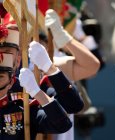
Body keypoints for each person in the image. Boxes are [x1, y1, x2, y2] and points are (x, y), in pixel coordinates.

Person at [0, 11, 85, 139]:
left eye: (6, 52)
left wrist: (49, 68)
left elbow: (74, 105)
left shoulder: (29, 89)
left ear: (18, 60)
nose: (1, 57)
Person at [34, 9, 100, 140]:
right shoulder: (8, 70)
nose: (36, 46)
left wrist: (63, 37)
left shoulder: (52, 64)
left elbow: (92, 66)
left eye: (42, 42)